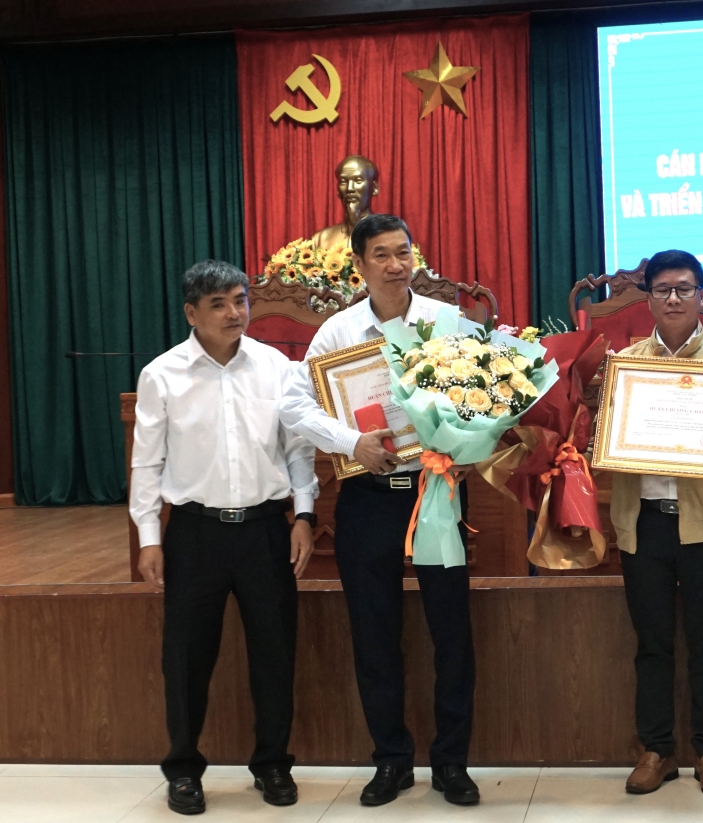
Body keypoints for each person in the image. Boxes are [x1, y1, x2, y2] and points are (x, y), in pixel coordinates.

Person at [281, 213, 479, 807]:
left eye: (403, 252)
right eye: (382, 256)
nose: (395, 265)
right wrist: (351, 443)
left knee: (452, 633)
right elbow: (295, 407)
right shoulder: (337, 333)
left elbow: (485, 396)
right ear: (360, 265)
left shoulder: (447, 322)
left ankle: (452, 763)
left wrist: (470, 449)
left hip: (435, 492)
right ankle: (391, 760)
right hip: (368, 498)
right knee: (373, 634)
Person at [130, 260, 318, 815]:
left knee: (274, 653)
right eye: (219, 304)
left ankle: (273, 764)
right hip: (194, 534)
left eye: (240, 300)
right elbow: (147, 462)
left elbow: (298, 448)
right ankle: (184, 770)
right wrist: (148, 536)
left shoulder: (277, 367)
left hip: (265, 531)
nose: (235, 313)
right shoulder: (162, 375)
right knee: (186, 658)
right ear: (192, 313)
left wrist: (304, 515)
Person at [610, 249, 703, 798]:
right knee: (652, 644)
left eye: (684, 289)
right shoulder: (625, 364)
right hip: (643, 522)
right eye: (663, 289)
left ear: (701, 297)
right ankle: (657, 749)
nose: (673, 298)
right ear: (648, 298)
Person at [311, 155, 379, 250]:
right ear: (338, 191)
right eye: (344, 182)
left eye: (358, 181)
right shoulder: (321, 239)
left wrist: (357, 227)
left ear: (374, 188)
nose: (350, 188)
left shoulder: (389, 236)